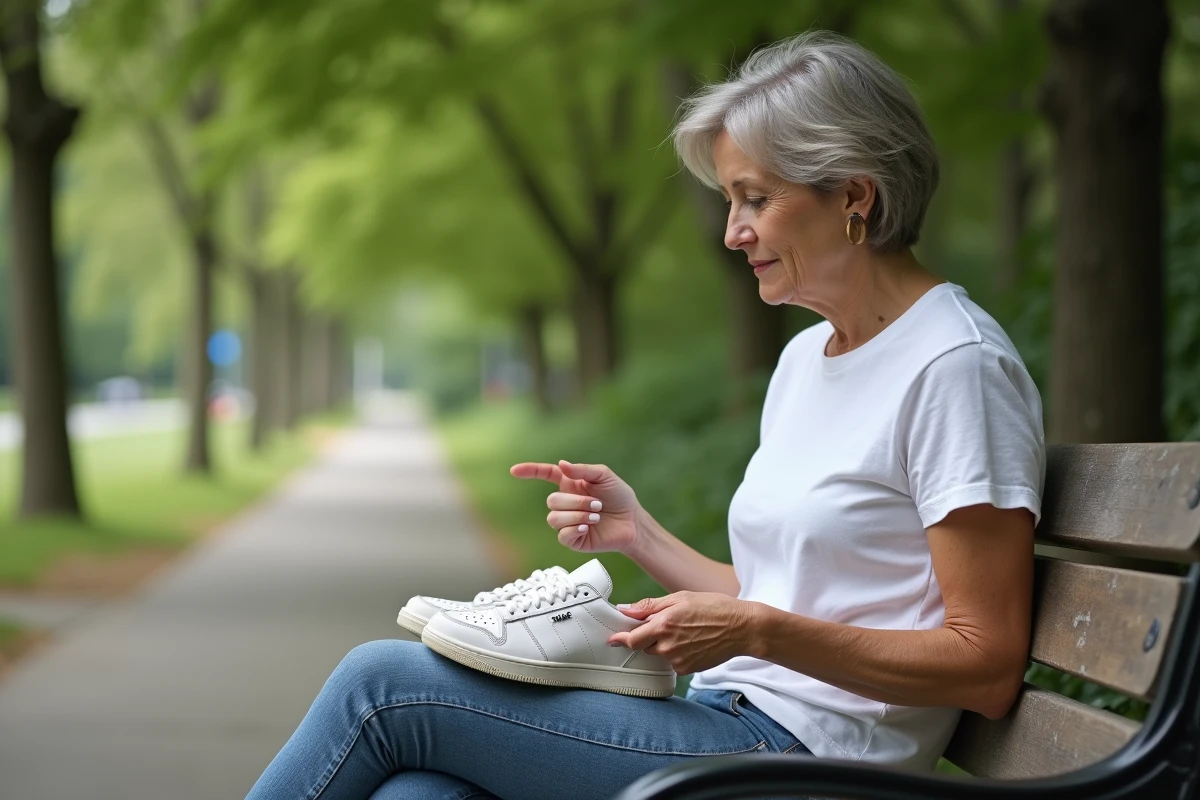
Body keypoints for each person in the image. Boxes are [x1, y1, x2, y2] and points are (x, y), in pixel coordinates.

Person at [246, 30, 1045, 800]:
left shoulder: (954, 367)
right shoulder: (810, 358)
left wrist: (758, 633)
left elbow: (986, 664)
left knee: (380, 686)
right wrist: (641, 535)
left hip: (812, 764)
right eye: (731, 200)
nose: (733, 232)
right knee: (419, 791)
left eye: (754, 200)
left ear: (855, 198)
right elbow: (787, 594)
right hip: (729, 719)